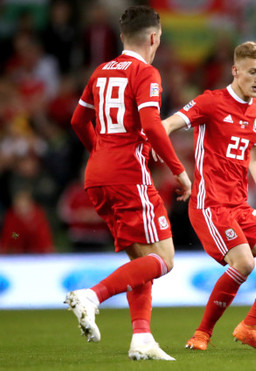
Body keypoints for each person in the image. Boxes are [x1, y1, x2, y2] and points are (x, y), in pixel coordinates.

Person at [64, 5, 191, 361]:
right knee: (164, 259)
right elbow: (152, 125)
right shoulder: (146, 72)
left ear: (122, 37)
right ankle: (93, 295)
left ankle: (142, 338)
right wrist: (179, 171)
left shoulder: (101, 71)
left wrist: (100, 152)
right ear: (154, 37)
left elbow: (78, 121)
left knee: (142, 258)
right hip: (128, 176)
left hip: (97, 176)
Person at [162, 41, 256, 351]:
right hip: (209, 204)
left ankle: (251, 325)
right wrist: (177, 170)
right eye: (253, 72)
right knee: (244, 263)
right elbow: (166, 126)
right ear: (235, 70)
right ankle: (201, 334)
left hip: (239, 205)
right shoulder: (210, 103)